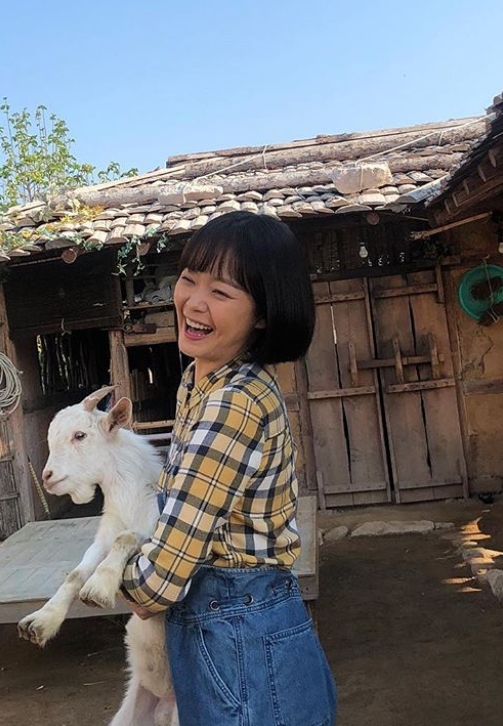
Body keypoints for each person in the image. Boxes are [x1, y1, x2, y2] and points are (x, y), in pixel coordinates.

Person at [121, 210, 337, 725]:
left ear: (262, 315)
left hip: (238, 634)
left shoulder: (232, 403)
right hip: (240, 626)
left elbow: (159, 581)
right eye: (189, 280)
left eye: (221, 292)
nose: (193, 302)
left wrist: (109, 572)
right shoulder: (202, 380)